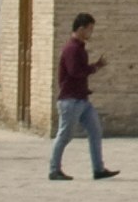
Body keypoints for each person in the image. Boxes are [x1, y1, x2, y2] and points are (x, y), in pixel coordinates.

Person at [49, 13, 118, 180]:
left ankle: (98, 169)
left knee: (95, 131)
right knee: (65, 135)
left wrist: (95, 66)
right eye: (89, 29)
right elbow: (75, 72)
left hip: (82, 100)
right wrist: (94, 68)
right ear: (81, 29)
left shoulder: (80, 48)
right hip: (70, 100)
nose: (91, 33)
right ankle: (54, 169)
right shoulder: (72, 49)